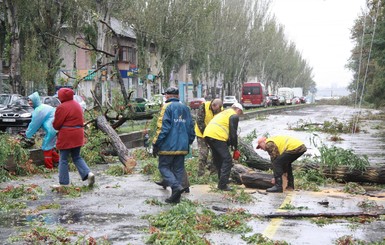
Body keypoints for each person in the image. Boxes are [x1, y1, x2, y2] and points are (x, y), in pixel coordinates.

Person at [152, 86, 195, 203]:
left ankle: (176, 188)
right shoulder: (185, 108)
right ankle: (176, 198)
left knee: (164, 167)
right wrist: (188, 141)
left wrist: (155, 143)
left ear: (167, 96)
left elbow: (162, 128)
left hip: (167, 146)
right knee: (178, 169)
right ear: (178, 96)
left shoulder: (166, 107)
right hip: (182, 146)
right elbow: (191, 127)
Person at [52, 88, 95, 187]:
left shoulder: (62, 107)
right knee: (76, 156)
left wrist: (53, 124)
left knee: (63, 159)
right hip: (78, 133)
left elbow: (56, 125)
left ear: (61, 96)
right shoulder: (77, 105)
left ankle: (64, 183)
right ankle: (88, 173)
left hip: (67, 135)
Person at [203, 102, 243, 191]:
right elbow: (233, 134)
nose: (239, 115)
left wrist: (229, 144)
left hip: (208, 135)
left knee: (218, 159)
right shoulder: (234, 115)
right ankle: (223, 184)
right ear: (238, 110)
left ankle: (221, 180)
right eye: (240, 113)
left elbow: (226, 131)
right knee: (227, 160)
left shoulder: (224, 113)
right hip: (217, 136)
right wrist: (235, 148)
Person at [25, 92, 59, 169]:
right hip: (54, 128)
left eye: (31, 100)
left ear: (35, 100)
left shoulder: (38, 110)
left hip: (51, 129)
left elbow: (34, 125)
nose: (29, 102)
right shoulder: (43, 107)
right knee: (50, 146)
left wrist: (27, 134)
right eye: (28, 100)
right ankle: (58, 161)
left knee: (46, 147)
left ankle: (49, 167)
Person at [195, 98, 223, 176]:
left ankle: (213, 172)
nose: (216, 111)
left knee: (215, 153)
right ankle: (201, 173)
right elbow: (199, 121)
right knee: (203, 153)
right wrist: (206, 135)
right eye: (215, 110)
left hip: (214, 135)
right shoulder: (204, 106)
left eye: (218, 110)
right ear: (212, 105)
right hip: (201, 133)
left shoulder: (221, 109)